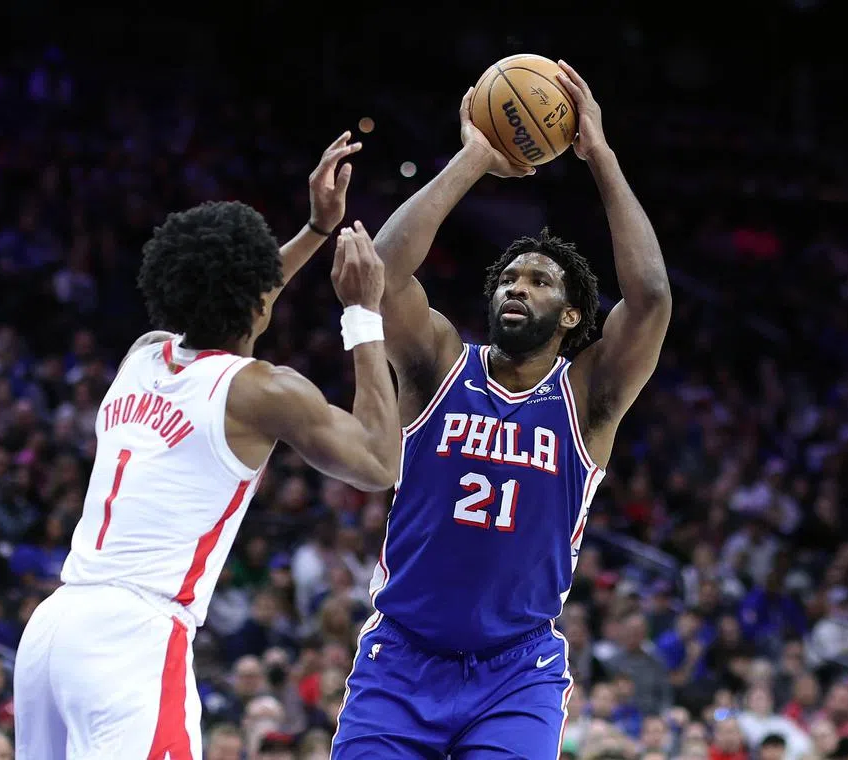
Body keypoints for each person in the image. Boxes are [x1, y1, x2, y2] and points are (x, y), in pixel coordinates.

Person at [14, 133, 401, 759]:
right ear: (256, 300)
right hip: (134, 637)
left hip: (54, 628)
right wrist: (364, 313)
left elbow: (236, 297)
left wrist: (313, 229)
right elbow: (380, 463)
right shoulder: (260, 390)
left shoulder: (145, 354)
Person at [332, 62, 671, 759]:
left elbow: (651, 301)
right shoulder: (437, 366)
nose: (518, 287)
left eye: (539, 280)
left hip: (515, 675)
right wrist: (474, 158)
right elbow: (383, 275)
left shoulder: (587, 399)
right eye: (509, 278)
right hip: (399, 659)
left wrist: (600, 155)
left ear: (573, 312)